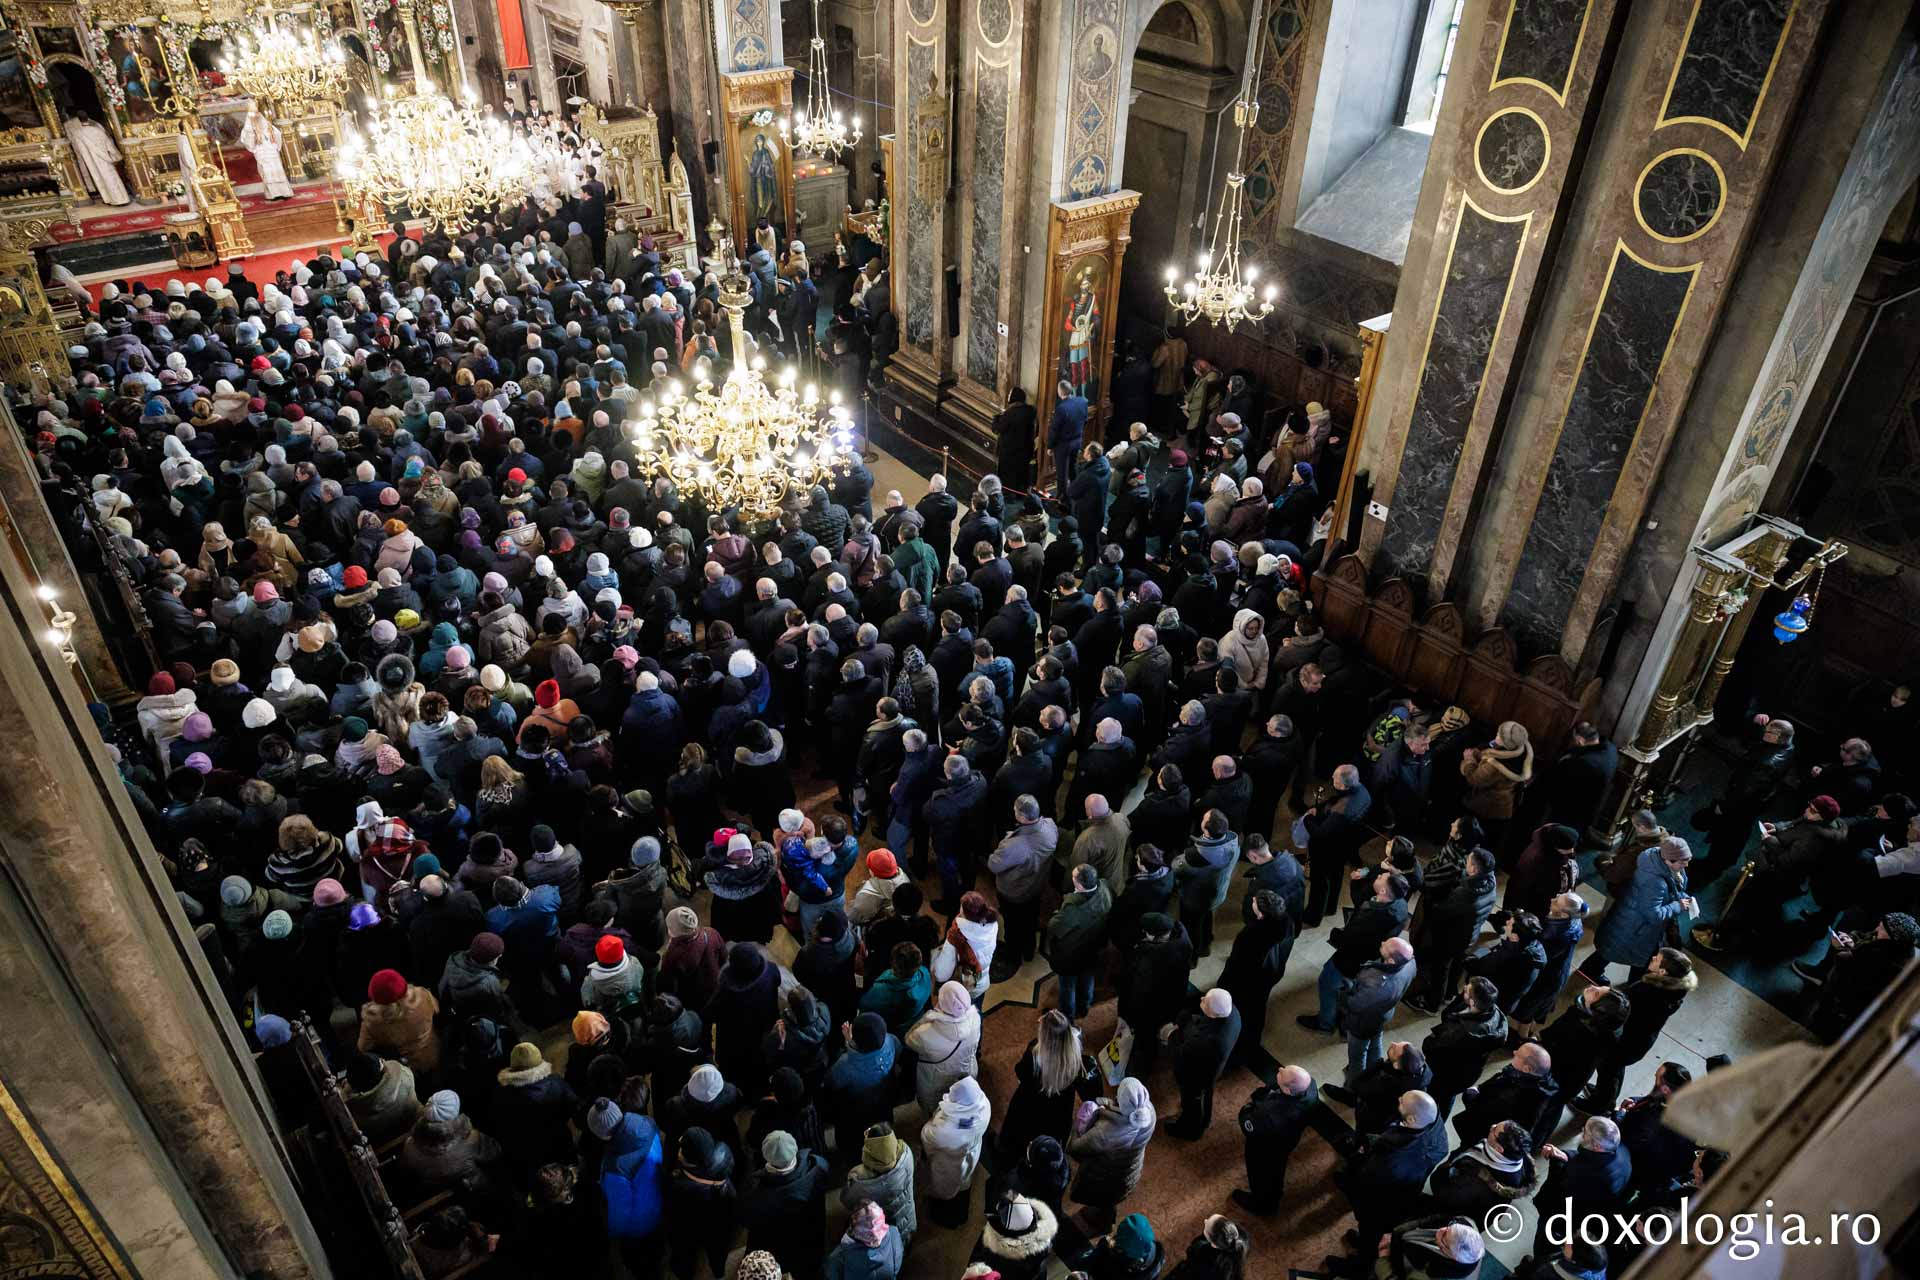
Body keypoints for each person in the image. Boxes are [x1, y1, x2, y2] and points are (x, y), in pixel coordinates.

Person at [1000, 1008, 1101, 1159]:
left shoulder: (1035, 1054)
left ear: (1044, 1036)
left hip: (1031, 1104)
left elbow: (1020, 1072)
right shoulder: (1077, 1055)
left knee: (1021, 1137)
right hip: (1060, 1109)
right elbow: (1093, 1092)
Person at [1231, 1064, 1317, 1214]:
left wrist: (1248, 1108)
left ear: (1288, 1090)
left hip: (1266, 1147)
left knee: (1260, 1172)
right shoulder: (1310, 1087)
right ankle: (1273, 1195)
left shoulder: (1268, 1115)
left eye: (1282, 1074)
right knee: (1277, 1169)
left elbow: (1247, 1124)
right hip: (1288, 1139)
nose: (1279, 1069)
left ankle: (1261, 1204)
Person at [1164, 988, 1240, 1139]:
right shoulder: (1233, 1013)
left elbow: (1179, 1055)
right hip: (1211, 1067)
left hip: (1197, 1075)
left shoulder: (1204, 1043)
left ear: (1213, 1014)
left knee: (1193, 1101)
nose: (1202, 999)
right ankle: (1203, 1120)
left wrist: (1171, 1035)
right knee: (1206, 1095)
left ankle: (1190, 1130)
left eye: (1205, 1001)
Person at [921, 1075, 992, 1227]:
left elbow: (926, 1138)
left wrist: (933, 1121)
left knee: (945, 1191)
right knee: (964, 1185)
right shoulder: (984, 1105)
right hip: (971, 1154)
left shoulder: (944, 1130)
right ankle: (960, 1214)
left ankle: (944, 1218)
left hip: (947, 1165)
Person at [904, 980, 982, 1116]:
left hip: (935, 1083)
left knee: (935, 1112)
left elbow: (908, 1039)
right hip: (966, 1074)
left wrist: (928, 1017)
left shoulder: (925, 1034)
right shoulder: (975, 1019)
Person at [1046, 863, 1111, 1019]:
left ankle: (1067, 1014)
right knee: (1088, 978)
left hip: (1073, 954)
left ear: (1079, 885)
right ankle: (1084, 1006)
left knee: (1067, 986)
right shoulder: (1105, 889)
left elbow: (1053, 927)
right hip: (1093, 948)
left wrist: (1057, 913)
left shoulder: (1072, 909)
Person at [240, 106, 295, 200]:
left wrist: (275, 144)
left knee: (278, 171)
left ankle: (285, 192)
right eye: (253, 114)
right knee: (267, 172)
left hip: (271, 150)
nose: (255, 115)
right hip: (261, 151)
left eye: (256, 113)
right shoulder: (249, 127)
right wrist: (253, 136)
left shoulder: (266, 123)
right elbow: (246, 139)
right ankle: (272, 194)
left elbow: (277, 134)